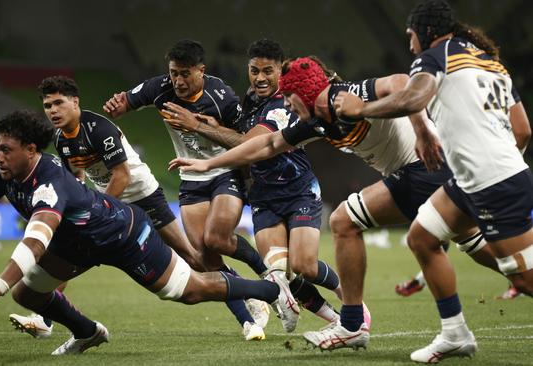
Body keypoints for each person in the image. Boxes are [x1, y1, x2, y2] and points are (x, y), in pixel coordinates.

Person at [170, 52, 520, 356]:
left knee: (344, 221)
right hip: (429, 174)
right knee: (483, 248)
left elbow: (401, 81)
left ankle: (352, 323)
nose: (287, 104)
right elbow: (266, 145)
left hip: (420, 170)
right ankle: (511, 286)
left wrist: (419, 128)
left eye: (291, 97)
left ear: (305, 94)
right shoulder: (316, 122)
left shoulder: (346, 97)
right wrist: (209, 163)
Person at [0, 110, 298, 356]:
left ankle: (272, 290)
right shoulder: (3, 174)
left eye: (5, 149)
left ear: (31, 150)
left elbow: (36, 243)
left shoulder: (49, 183)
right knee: (27, 295)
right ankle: (87, 332)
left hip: (122, 234)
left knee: (191, 291)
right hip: (77, 246)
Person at [331, 0, 533, 362]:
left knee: (524, 280)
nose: (410, 46)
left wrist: (360, 109)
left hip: (490, 181)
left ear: (425, 33)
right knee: (422, 237)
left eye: (411, 37)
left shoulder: (434, 56)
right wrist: (500, 163)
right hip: (479, 177)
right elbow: (523, 130)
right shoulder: (490, 62)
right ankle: (455, 334)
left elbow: (413, 97)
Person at [9, 76, 268, 342]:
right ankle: (44, 320)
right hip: (110, 205)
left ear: (75, 102)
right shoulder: (61, 139)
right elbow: (77, 176)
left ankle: (248, 312)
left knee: (192, 257)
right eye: (48, 105)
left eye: (58, 103)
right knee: (65, 253)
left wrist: (97, 209)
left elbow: (122, 176)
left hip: (144, 197)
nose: (52, 110)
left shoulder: (98, 128)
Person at [164, 39, 351, 328]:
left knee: (304, 266)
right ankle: (336, 319)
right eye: (254, 70)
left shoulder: (283, 104)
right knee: (279, 272)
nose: (260, 78)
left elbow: (251, 144)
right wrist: (218, 128)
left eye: (268, 71)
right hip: (264, 197)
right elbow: (242, 132)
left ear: (281, 71)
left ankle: (352, 302)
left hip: (298, 191)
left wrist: (197, 127)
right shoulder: (252, 97)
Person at [103, 41, 286, 326]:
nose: (178, 80)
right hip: (191, 177)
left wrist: (201, 127)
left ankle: (269, 277)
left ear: (201, 71)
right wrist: (117, 105)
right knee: (203, 257)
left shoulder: (222, 96)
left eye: (186, 74)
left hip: (225, 171)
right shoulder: (160, 87)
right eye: (174, 73)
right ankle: (251, 304)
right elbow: (125, 101)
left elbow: (246, 142)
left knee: (216, 238)